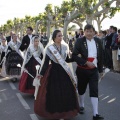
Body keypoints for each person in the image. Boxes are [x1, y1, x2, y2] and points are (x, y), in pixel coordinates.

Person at [34, 30, 79, 120]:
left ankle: (65, 112)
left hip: (63, 72)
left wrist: (76, 58)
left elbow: (66, 60)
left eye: (61, 36)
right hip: (53, 72)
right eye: (59, 36)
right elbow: (46, 63)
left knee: (65, 91)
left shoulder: (65, 47)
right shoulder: (50, 48)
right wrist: (41, 74)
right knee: (54, 92)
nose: (61, 37)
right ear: (54, 37)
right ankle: (55, 113)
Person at [72, 24, 104, 120]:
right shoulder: (79, 41)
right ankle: (81, 105)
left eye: (91, 31)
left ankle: (95, 114)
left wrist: (100, 70)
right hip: (82, 70)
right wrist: (85, 62)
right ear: (84, 32)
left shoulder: (98, 41)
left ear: (94, 32)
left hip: (93, 70)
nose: (89, 33)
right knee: (81, 89)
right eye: (87, 31)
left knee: (94, 90)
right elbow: (74, 55)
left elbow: (100, 56)